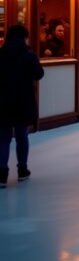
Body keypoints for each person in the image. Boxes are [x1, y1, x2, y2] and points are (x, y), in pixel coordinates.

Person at [0, 25, 44, 188]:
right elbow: (38, 74)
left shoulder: (1, 54)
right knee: (21, 136)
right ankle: (22, 170)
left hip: (3, 102)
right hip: (23, 101)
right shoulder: (28, 55)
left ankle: (1, 174)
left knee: (3, 139)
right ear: (24, 38)